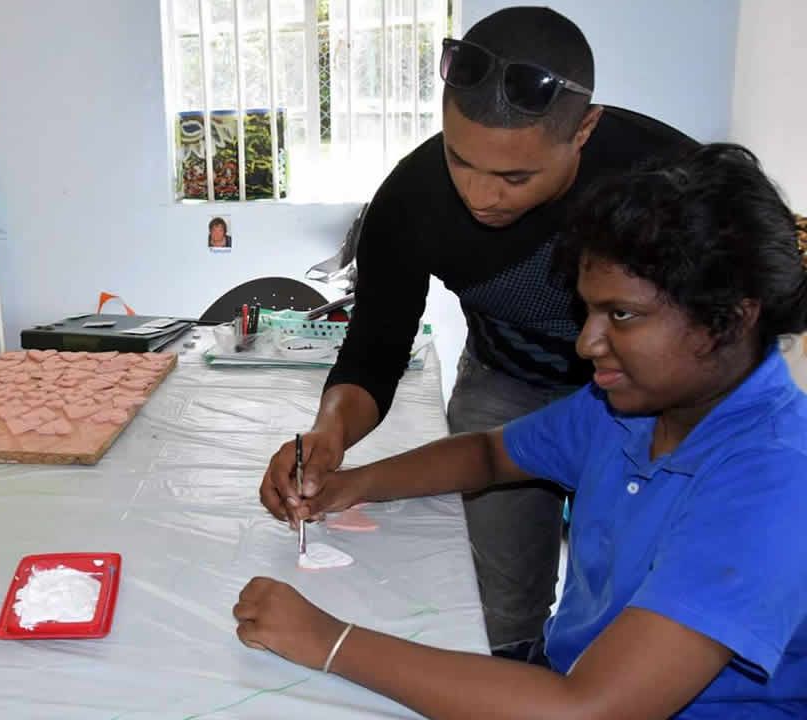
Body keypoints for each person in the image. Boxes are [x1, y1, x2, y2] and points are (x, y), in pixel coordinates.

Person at [240, 144, 807, 718]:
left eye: (622, 315)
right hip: (574, 674)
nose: (586, 343)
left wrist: (331, 642)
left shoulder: (775, 479)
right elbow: (490, 454)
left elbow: (592, 710)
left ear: (732, 319)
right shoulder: (624, 410)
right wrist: (350, 484)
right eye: (587, 312)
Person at [260, 6, 697, 650]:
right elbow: (376, 350)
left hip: (646, 403)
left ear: (584, 130)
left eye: (515, 177)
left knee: (637, 602)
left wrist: (340, 649)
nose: (480, 195)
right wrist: (330, 435)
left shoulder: (668, 179)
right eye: (460, 159)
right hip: (508, 385)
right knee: (500, 602)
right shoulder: (412, 200)